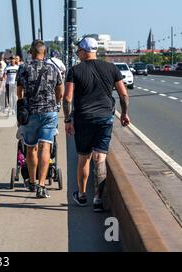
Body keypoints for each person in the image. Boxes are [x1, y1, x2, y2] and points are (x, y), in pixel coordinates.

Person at [63, 37, 130, 212]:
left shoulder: (75, 70)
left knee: (83, 157)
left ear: (85, 51)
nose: (77, 53)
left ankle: (82, 195)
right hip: (105, 118)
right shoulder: (111, 68)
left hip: (83, 118)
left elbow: (68, 98)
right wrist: (124, 114)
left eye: (79, 51)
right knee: (100, 158)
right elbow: (123, 95)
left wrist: (67, 120)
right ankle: (98, 199)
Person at [16, 40, 64, 198]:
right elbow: (60, 92)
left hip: (31, 112)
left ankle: (32, 181)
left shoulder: (24, 68)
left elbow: (19, 92)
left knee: (31, 148)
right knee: (46, 147)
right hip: (49, 112)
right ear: (45, 52)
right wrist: (54, 103)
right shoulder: (53, 68)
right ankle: (42, 186)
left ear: (31, 52)